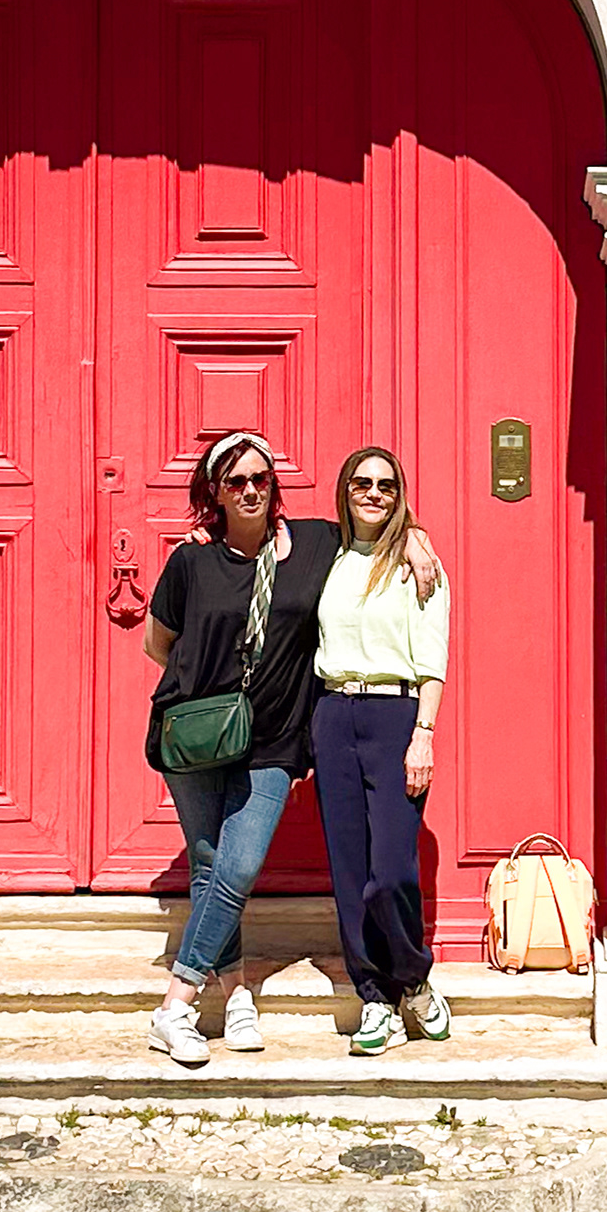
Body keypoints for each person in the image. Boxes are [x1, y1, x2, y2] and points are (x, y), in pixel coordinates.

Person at [142, 432, 436, 1069]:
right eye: (236, 481)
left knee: (238, 868)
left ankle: (174, 1006)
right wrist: (207, 685)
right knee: (209, 864)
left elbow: (376, 521)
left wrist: (418, 535)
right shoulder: (190, 561)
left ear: (274, 486)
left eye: (261, 479)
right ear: (214, 492)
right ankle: (236, 989)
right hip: (194, 735)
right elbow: (158, 645)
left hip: (274, 738)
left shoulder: (313, 545)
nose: (251, 490)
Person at [312, 447, 453, 1057]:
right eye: (363, 483)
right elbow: (256, 527)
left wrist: (424, 733)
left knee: (391, 869)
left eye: (387, 486)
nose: (374, 493)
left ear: (400, 495)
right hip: (333, 714)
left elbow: (433, 659)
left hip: (396, 716)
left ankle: (414, 979)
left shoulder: (420, 566)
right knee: (349, 871)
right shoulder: (324, 556)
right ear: (345, 490)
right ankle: (374, 998)